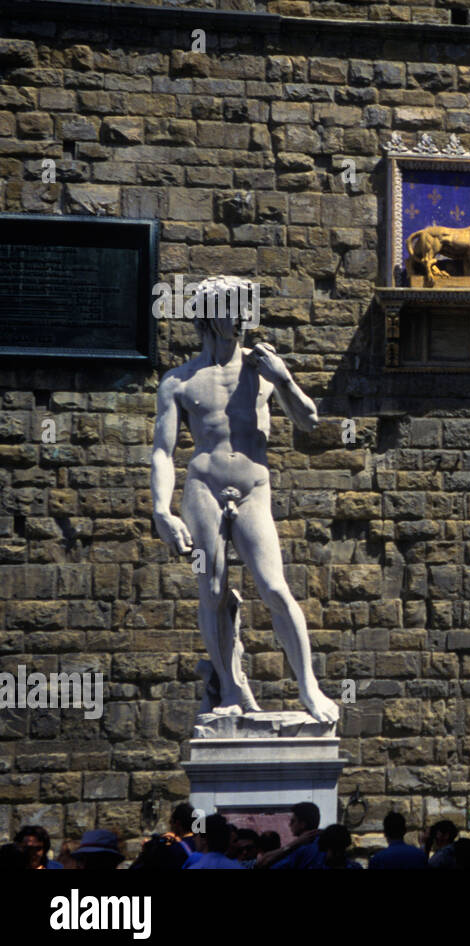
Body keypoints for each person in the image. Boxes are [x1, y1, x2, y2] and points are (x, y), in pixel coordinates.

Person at [151, 274, 337, 723]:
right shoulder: (179, 382)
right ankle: (230, 687)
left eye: (244, 308)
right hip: (203, 488)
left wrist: (285, 378)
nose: (240, 318)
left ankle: (309, 687)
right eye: (231, 308)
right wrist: (161, 510)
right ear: (209, 314)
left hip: (254, 489)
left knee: (274, 586)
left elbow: (310, 421)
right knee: (211, 590)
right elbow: (162, 450)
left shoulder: (262, 370)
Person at [257, 802, 324, 869]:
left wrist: (292, 845)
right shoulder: (325, 843)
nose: (289, 825)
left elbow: (263, 863)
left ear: (302, 824)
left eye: (293, 821)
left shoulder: (300, 848)